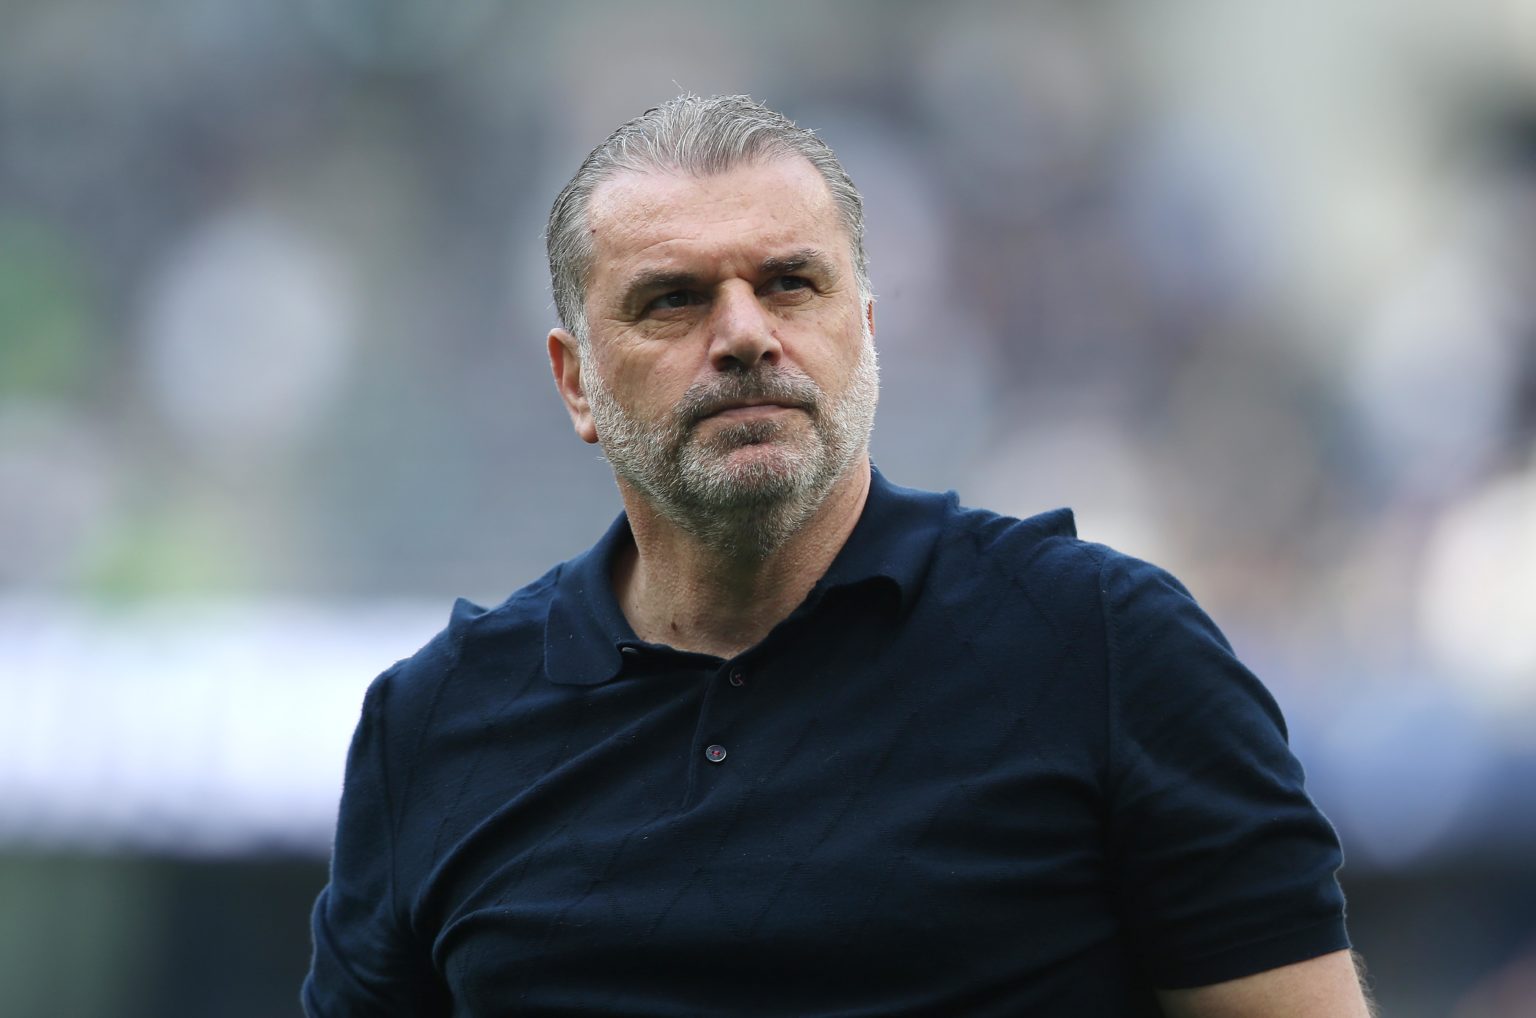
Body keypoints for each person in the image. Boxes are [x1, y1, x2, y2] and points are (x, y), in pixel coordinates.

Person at [304, 94, 1373, 1017]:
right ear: (575, 380)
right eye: (672, 298)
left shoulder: (1106, 652)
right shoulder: (434, 727)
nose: (744, 333)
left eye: (789, 284)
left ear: (866, 330)